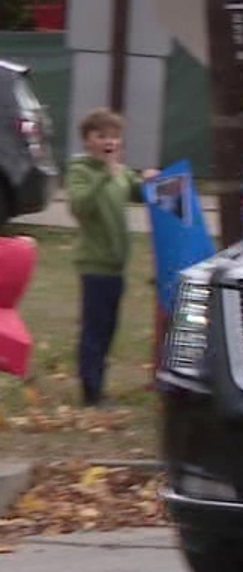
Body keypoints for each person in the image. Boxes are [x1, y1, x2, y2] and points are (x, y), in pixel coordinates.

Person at [66, 109, 156, 406]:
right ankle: (90, 392)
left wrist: (152, 180)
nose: (109, 141)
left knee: (108, 329)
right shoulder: (81, 170)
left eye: (114, 136)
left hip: (117, 267)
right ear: (87, 141)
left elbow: (141, 191)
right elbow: (81, 206)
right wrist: (104, 173)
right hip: (94, 264)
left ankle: (99, 384)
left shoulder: (121, 172)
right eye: (100, 135)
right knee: (94, 328)